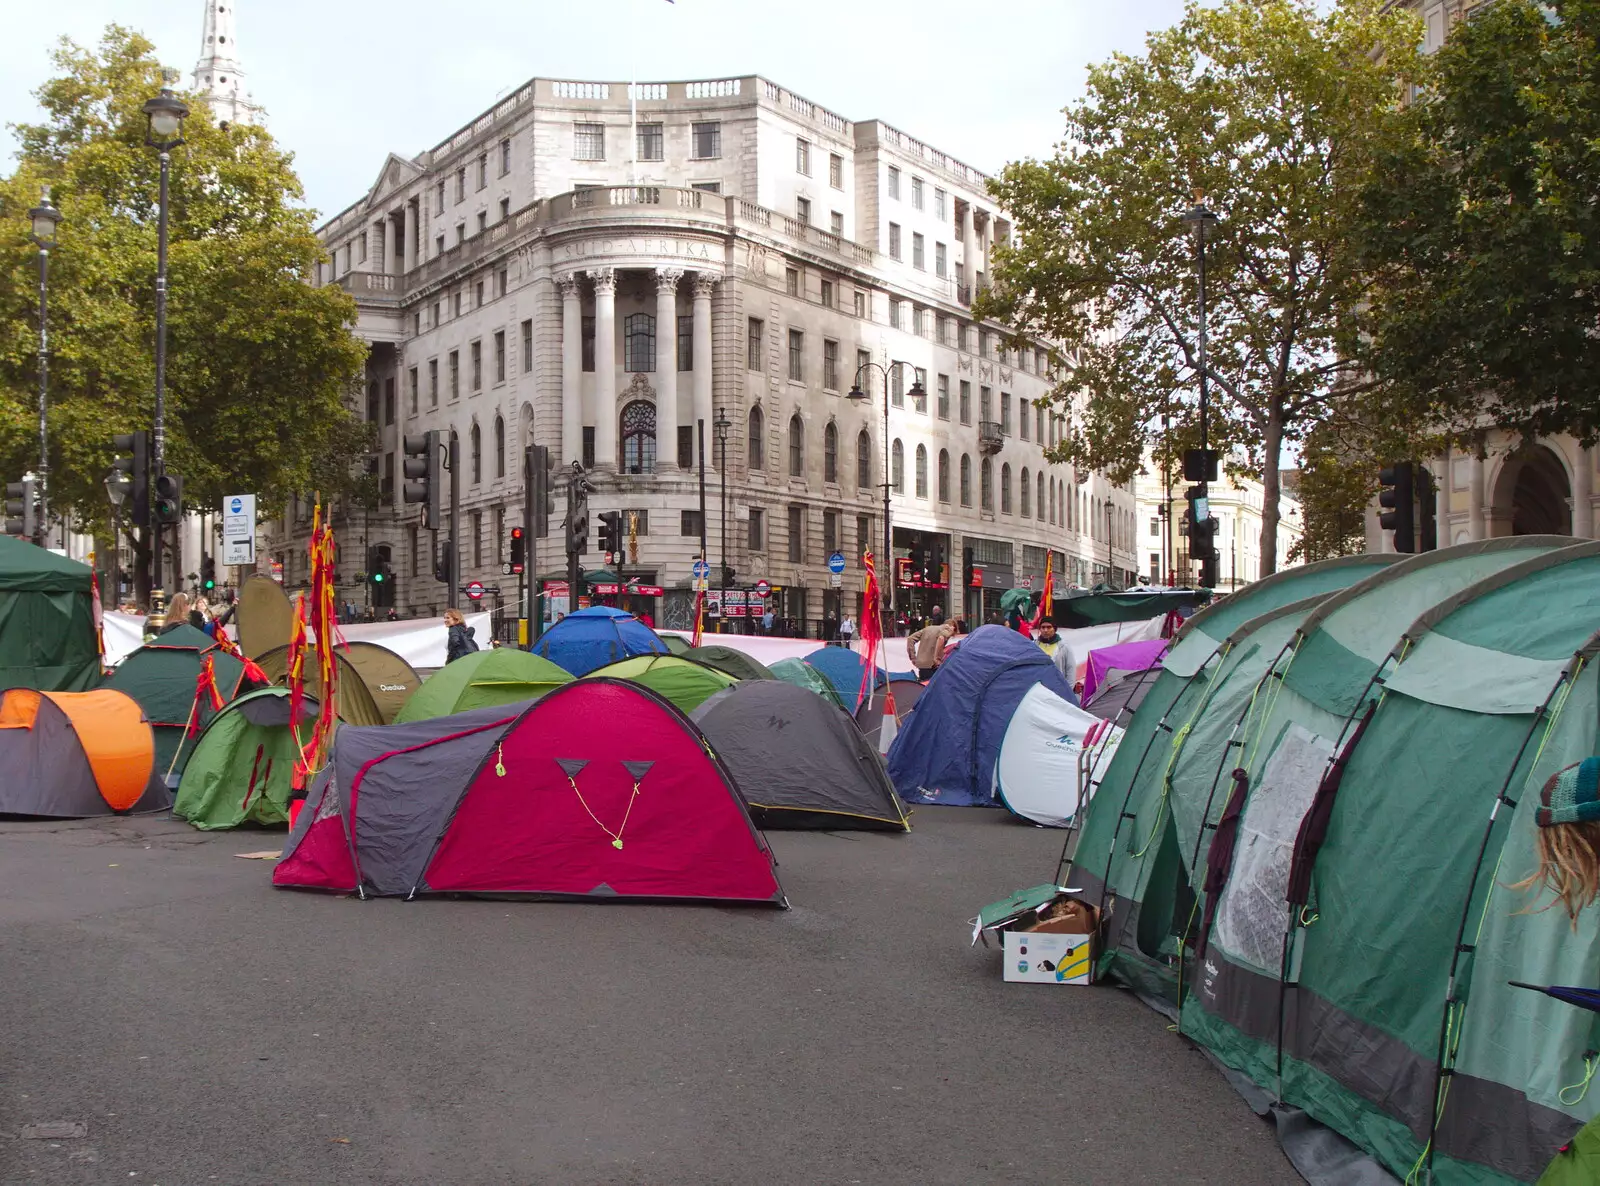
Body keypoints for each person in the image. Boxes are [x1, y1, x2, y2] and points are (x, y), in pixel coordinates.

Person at [1034, 618, 1076, 683]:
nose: (1045, 630)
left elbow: (1070, 669)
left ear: (1054, 629)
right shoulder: (1034, 646)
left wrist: (1067, 690)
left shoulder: (1064, 647)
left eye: (1049, 627)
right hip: (1038, 688)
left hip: (1058, 688)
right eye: (1043, 627)